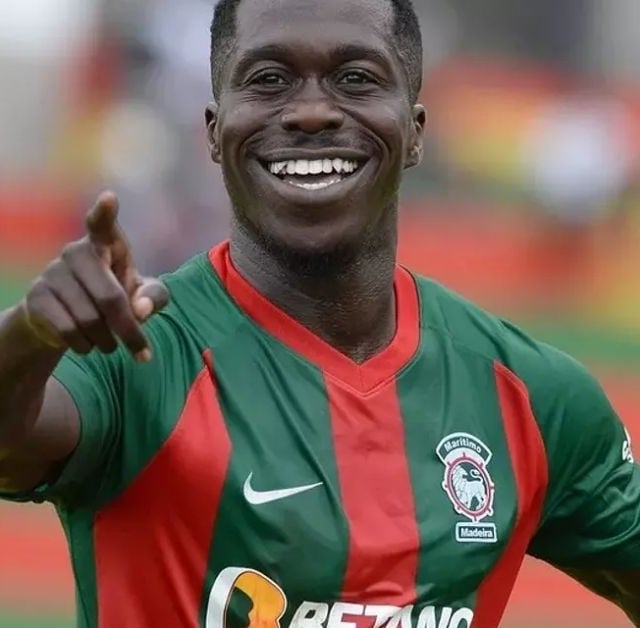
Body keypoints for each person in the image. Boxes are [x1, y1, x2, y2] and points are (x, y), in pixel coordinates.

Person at [1, 0, 639, 626]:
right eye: (268, 79)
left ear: (415, 131)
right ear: (214, 131)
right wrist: (28, 338)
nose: (311, 112)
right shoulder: (141, 355)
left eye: (355, 78)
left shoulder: (532, 398)